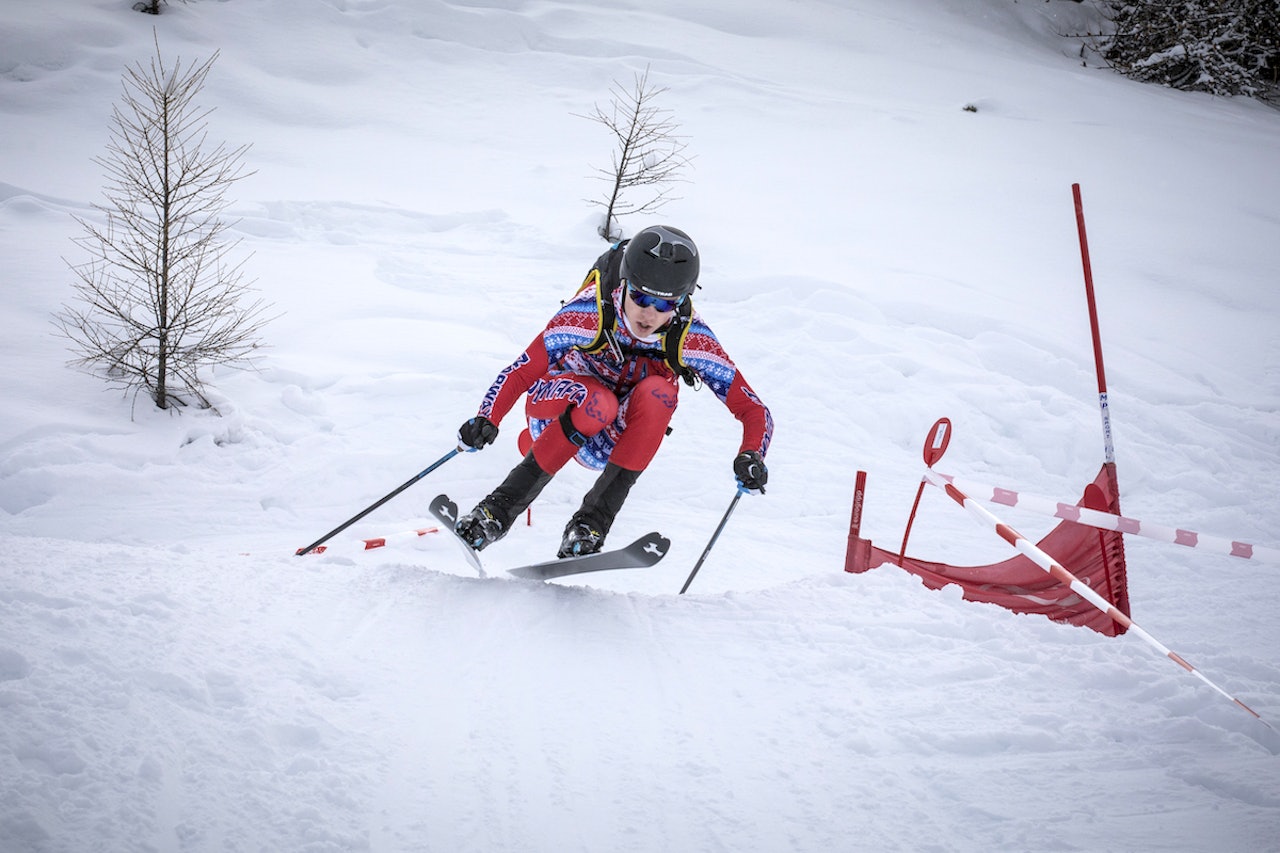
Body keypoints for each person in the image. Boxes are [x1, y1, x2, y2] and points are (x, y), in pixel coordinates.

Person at [453, 224, 773, 558]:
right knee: (599, 401)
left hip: (609, 442)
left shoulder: (691, 338)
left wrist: (752, 454)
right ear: (624, 283)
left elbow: (753, 409)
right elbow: (522, 371)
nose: (649, 314)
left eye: (665, 304)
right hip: (552, 409)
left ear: (681, 301)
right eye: (641, 297)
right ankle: (493, 513)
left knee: (660, 393)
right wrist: (486, 418)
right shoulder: (589, 313)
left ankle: (589, 527)